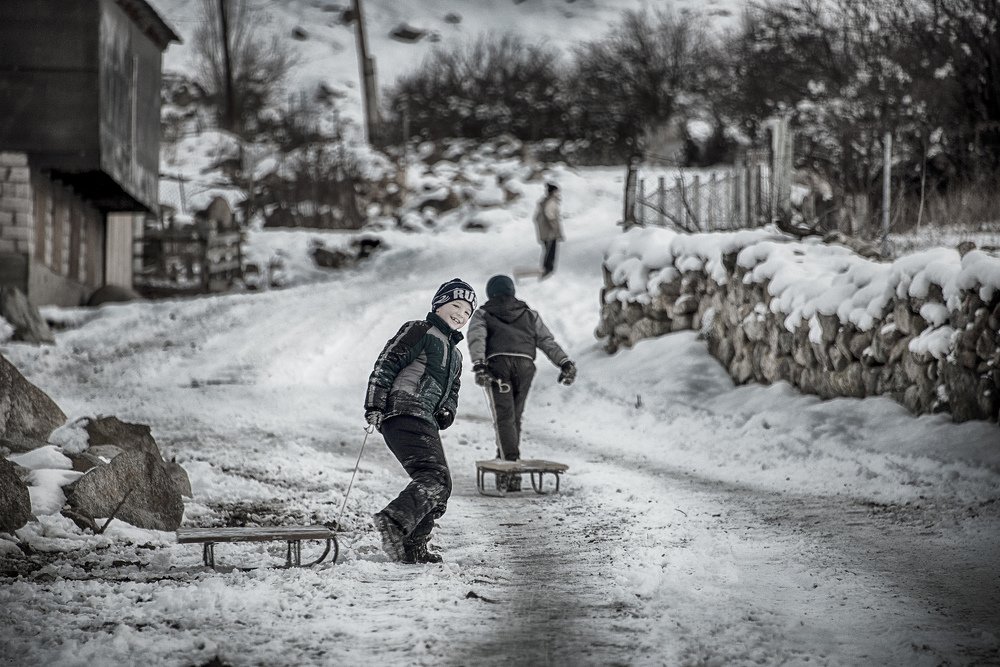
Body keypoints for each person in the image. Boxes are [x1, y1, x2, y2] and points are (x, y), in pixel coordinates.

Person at [365, 278, 477, 563]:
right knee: (435, 478)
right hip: (403, 410)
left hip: (423, 416)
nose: (460, 314)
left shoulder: (456, 354)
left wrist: (448, 410)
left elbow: (453, 389)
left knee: (441, 483)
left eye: (467, 312)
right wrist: (374, 404)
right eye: (455, 305)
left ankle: (413, 546)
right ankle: (395, 520)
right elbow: (387, 362)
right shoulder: (420, 330)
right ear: (438, 304)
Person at [467, 274, 576, 491]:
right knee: (514, 415)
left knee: (503, 416)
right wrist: (563, 362)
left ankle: (510, 468)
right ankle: (505, 456)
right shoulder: (529, 314)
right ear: (512, 291)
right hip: (525, 367)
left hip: (498, 366)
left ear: (490, 292)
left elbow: (477, 338)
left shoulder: (483, 313)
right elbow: (546, 340)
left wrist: (479, 364)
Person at [533, 182, 563, 277]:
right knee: (551, 252)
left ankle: (545, 269)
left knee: (547, 251)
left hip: (544, 232)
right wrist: (554, 229)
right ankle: (548, 270)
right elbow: (550, 216)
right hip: (550, 233)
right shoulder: (551, 202)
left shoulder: (543, 202)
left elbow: (536, 217)